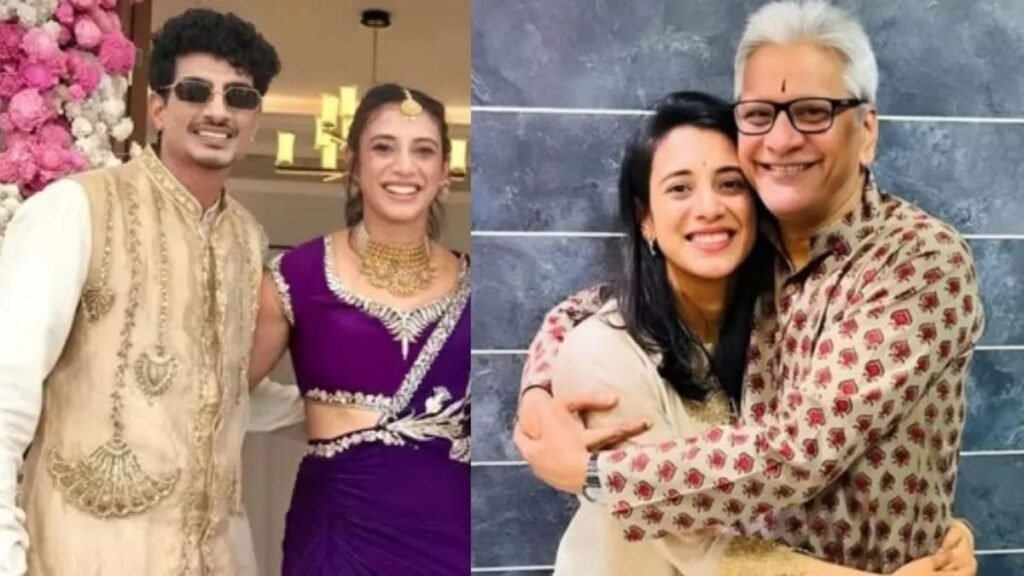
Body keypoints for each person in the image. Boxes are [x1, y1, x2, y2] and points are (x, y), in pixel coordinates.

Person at [515, 1, 983, 574]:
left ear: (866, 132)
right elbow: (594, 306)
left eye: (812, 111)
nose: (781, 140)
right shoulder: (761, 247)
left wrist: (596, 475)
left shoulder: (917, 260)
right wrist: (538, 389)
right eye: (759, 115)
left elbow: (801, 451)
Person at [0, 9, 303, 575]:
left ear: (255, 120)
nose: (218, 111)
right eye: (196, 91)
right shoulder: (76, 209)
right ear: (159, 108)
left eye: (239, 97)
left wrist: (345, 407)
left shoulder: (246, 239)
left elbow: (221, 393)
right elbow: (6, 390)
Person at [248, 84, 470, 575]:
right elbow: (217, 399)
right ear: (352, 163)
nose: (404, 167)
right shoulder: (295, 278)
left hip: (453, 534)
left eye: (423, 151)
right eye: (383, 147)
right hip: (339, 536)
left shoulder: (477, 285)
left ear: (444, 172)